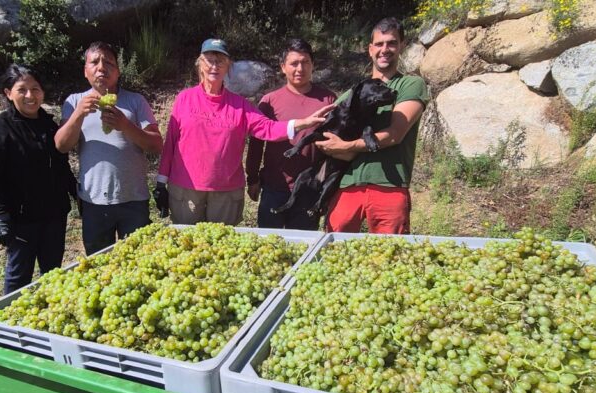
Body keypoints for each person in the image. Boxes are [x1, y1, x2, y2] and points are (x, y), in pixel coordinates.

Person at [155, 38, 334, 225]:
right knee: (186, 241)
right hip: (186, 189)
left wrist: (303, 123)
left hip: (226, 193)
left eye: (220, 61)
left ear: (228, 67)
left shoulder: (240, 105)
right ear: (200, 64)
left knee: (223, 242)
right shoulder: (184, 99)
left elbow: (268, 128)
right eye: (209, 60)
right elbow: (170, 143)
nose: (214, 66)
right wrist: (160, 181)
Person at [316, 17, 430, 234]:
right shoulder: (354, 93)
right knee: (335, 246)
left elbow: (394, 134)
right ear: (370, 49)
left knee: (389, 250)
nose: (384, 49)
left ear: (402, 46)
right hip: (347, 184)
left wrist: (346, 147)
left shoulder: (410, 84)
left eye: (392, 43)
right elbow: (325, 132)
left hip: (389, 184)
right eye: (379, 44)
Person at [55, 42, 163, 255]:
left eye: (109, 63)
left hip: (134, 199)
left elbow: (156, 145)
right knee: (98, 261)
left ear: (118, 71)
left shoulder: (136, 101)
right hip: (94, 200)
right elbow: (61, 145)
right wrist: (78, 114)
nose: (101, 67)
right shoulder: (74, 101)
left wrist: (125, 125)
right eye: (94, 62)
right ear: (85, 71)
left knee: (137, 259)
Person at [0, 64, 77, 294]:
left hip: (54, 214)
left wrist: (77, 194)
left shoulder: (49, 124)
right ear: (8, 93)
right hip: (21, 219)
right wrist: (1, 216)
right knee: (18, 275)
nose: (30, 96)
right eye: (22, 90)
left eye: (35, 89)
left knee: (52, 273)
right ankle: (10, 315)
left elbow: (61, 166)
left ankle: (49, 311)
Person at [246, 39, 337, 230]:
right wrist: (252, 178)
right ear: (283, 67)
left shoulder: (328, 100)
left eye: (305, 62)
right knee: (269, 243)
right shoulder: (269, 101)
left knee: (303, 244)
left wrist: (327, 186)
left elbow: (335, 145)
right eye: (294, 63)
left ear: (313, 65)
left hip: (309, 189)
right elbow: (256, 144)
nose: (300, 69)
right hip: (274, 187)